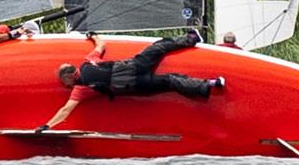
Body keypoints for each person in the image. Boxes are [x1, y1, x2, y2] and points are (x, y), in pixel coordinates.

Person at [36, 31, 224, 131]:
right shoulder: (89, 62)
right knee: (158, 47)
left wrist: (47, 125)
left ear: (69, 78)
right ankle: (191, 38)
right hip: (136, 66)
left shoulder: (80, 89)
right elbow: (101, 45)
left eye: (64, 83)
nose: (65, 86)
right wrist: (92, 35)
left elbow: (65, 110)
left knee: (170, 81)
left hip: (136, 86)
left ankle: (208, 85)